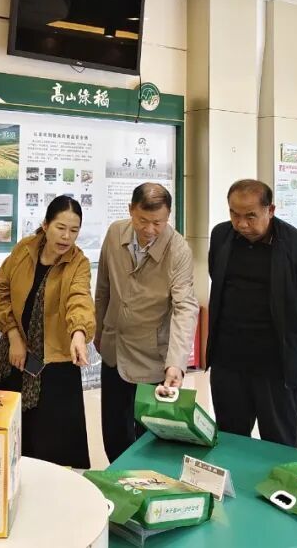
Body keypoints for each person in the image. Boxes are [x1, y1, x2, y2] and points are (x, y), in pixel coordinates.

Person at [207, 179, 297, 448]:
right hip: (229, 361)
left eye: (250, 216)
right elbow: (216, 277)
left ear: (270, 210)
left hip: (277, 365)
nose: (241, 224)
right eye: (234, 214)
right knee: (229, 440)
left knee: (279, 443)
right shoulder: (221, 236)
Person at [0, 196, 95, 467]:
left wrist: (79, 333)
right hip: (15, 359)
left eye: (74, 230)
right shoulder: (24, 250)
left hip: (55, 366)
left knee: (51, 449)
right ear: (46, 225)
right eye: (61, 227)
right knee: (11, 442)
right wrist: (13, 335)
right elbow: (0, 290)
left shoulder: (78, 263)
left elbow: (79, 299)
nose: (67, 236)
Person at [95, 183, 198, 463]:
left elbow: (185, 307)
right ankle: (118, 480)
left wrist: (176, 362)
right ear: (130, 210)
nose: (150, 229)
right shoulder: (115, 233)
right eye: (142, 220)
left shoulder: (178, 250)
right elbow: (103, 287)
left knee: (148, 437)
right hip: (115, 349)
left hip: (152, 356)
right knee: (114, 431)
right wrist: (98, 330)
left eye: (158, 222)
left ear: (168, 216)